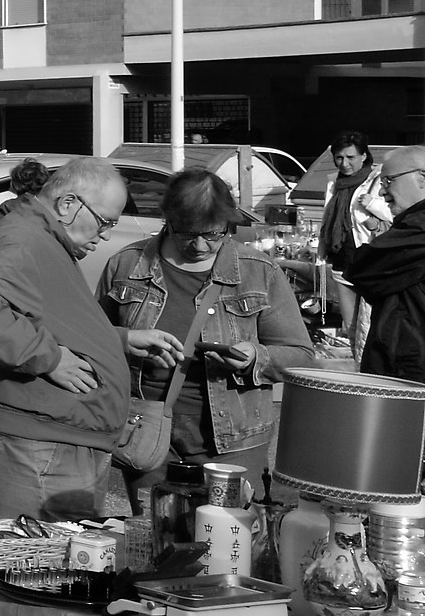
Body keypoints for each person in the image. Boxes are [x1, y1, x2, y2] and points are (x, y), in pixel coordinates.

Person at [101, 167, 313, 479]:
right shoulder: (127, 264)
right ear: (167, 220)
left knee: (231, 526)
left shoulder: (259, 271)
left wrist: (254, 357)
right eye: (186, 233)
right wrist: (126, 339)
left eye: (213, 234)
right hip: (143, 427)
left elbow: (300, 355)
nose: (199, 246)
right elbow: (90, 339)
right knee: (153, 525)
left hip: (235, 436)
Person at [0, 157, 133, 520]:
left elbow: (44, 318)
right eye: (105, 221)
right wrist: (49, 358)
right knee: (40, 570)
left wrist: (121, 341)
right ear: (67, 205)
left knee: (61, 570)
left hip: (53, 440)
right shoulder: (23, 236)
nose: (107, 233)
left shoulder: (41, 236)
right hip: (38, 444)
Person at [345, 145, 425, 381]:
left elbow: (362, 269)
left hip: (407, 373)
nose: (381, 192)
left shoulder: (418, 227)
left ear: (422, 178)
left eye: (389, 181)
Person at [319, 132, 385, 345]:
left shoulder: (376, 180)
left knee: (370, 323)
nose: (344, 163)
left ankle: (369, 371)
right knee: (351, 326)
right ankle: (358, 368)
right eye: (339, 158)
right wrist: (321, 252)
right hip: (341, 258)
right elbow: (326, 220)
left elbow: (395, 213)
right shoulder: (334, 183)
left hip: (366, 259)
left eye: (351, 157)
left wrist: (372, 204)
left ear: (364, 156)